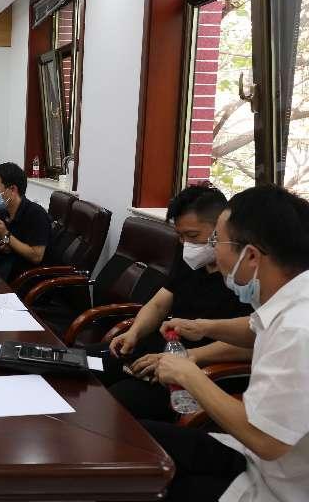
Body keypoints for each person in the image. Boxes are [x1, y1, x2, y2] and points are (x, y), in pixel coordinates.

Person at [144, 185, 309, 501]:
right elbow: (256, 329)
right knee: (140, 438)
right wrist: (202, 327)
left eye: (216, 241)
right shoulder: (295, 295)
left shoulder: (298, 331)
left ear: (251, 255)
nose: (213, 252)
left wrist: (188, 374)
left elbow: (266, 440)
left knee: (143, 480)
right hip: (256, 458)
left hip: (277, 485)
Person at [101, 186, 252, 422]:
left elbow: (252, 341)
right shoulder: (189, 258)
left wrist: (187, 356)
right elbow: (159, 303)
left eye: (192, 236)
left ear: (222, 229)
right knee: (89, 364)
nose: (185, 244)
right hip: (165, 350)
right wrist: (134, 332)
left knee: (113, 403)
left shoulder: (243, 275)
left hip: (200, 369)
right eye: (180, 236)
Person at [0, 162, 50, 281]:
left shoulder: (36, 214)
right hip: (5, 268)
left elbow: (36, 256)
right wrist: (4, 244)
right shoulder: (4, 211)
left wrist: (5, 235)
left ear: (13, 189)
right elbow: (10, 243)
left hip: (27, 278)